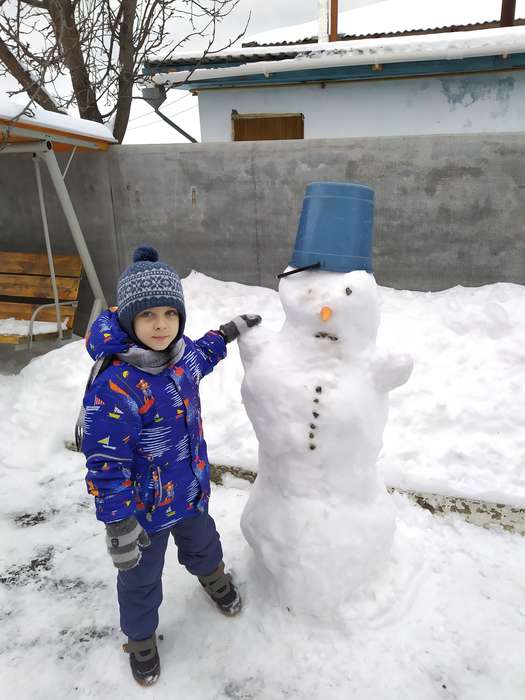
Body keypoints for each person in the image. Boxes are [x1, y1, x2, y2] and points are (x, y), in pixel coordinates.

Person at [79, 245, 261, 687]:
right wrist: (119, 523)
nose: (160, 325)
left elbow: (207, 350)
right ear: (128, 320)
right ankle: (140, 639)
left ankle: (213, 578)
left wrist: (228, 332)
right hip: (143, 513)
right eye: (147, 316)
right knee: (140, 580)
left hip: (190, 490)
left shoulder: (182, 360)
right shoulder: (115, 385)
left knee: (204, 543)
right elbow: (106, 466)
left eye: (169, 313)